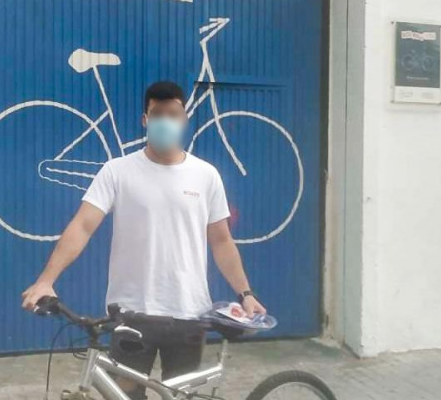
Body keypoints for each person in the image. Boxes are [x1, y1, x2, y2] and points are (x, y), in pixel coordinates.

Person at [22, 80, 266, 399]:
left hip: (189, 314)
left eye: (173, 114)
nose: (165, 121)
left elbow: (221, 241)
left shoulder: (206, 175)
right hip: (131, 314)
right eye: (157, 113)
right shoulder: (117, 171)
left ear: (184, 119)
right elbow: (82, 226)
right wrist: (46, 280)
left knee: (180, 396)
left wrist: (246, 293)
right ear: (145, 119)